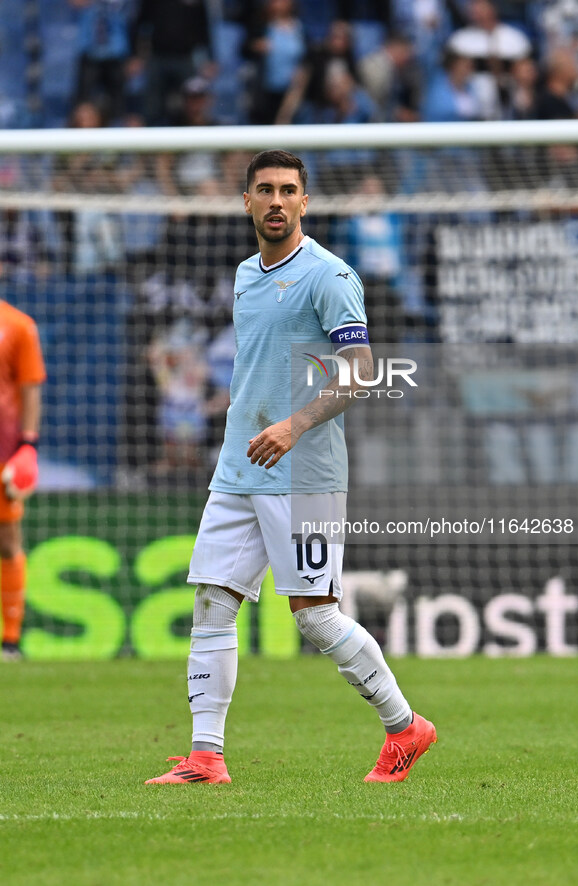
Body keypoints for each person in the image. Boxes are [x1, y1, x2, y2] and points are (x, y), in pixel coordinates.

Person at [145, 149, 436, 786]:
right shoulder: (246, 274)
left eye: (288, 191)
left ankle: (405, 727)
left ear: (305, 202)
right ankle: (205, 756)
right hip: (238, 468)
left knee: (314, 615)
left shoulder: (329, 276)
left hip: (304, 475)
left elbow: (361, 373)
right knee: (212, 602)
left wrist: (295, 423)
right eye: (264, 190)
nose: (276, 201)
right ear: (246, 201)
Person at [0, 295, 46, 660]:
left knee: (7, 539)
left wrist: (28, 446)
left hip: (3, 452)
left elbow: (30, 388)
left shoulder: (17, 324)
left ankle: (11, 641)